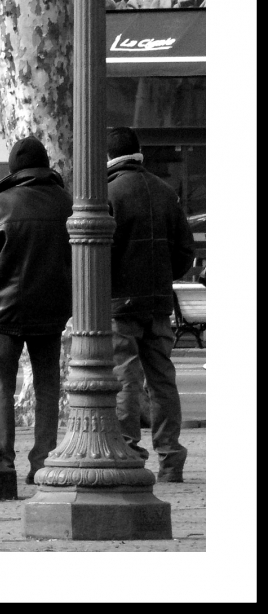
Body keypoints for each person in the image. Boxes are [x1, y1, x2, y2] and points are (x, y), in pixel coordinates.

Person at [0, 135, 72, 485]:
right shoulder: (68, 204)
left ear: (14, 171)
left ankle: (3, 460)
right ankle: (42, 462)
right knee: (47, 387)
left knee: (1, 387)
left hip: (4, 312)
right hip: (52, 311)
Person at [107, 126, 195, 482]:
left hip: (120, 304)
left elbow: (100, 253)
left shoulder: (108, 193)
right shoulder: (164, 191)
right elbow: (185, 253)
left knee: (125, 379)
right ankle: (171, 458)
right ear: (139, 152)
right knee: (162, 381)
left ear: (110, 157)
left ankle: (130, 453)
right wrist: (162, 277)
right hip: (158, 302)